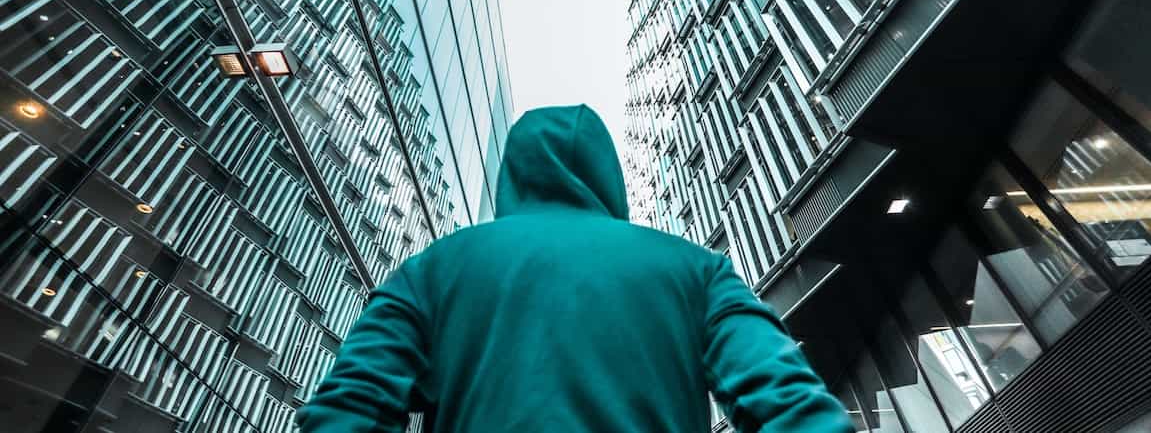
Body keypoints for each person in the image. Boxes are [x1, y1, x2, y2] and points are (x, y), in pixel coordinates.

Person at [297, 105, 852, 432]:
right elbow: (792, 406)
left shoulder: (432, 271)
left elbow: (347, 409)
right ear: (605, 175)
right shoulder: (697, 271)